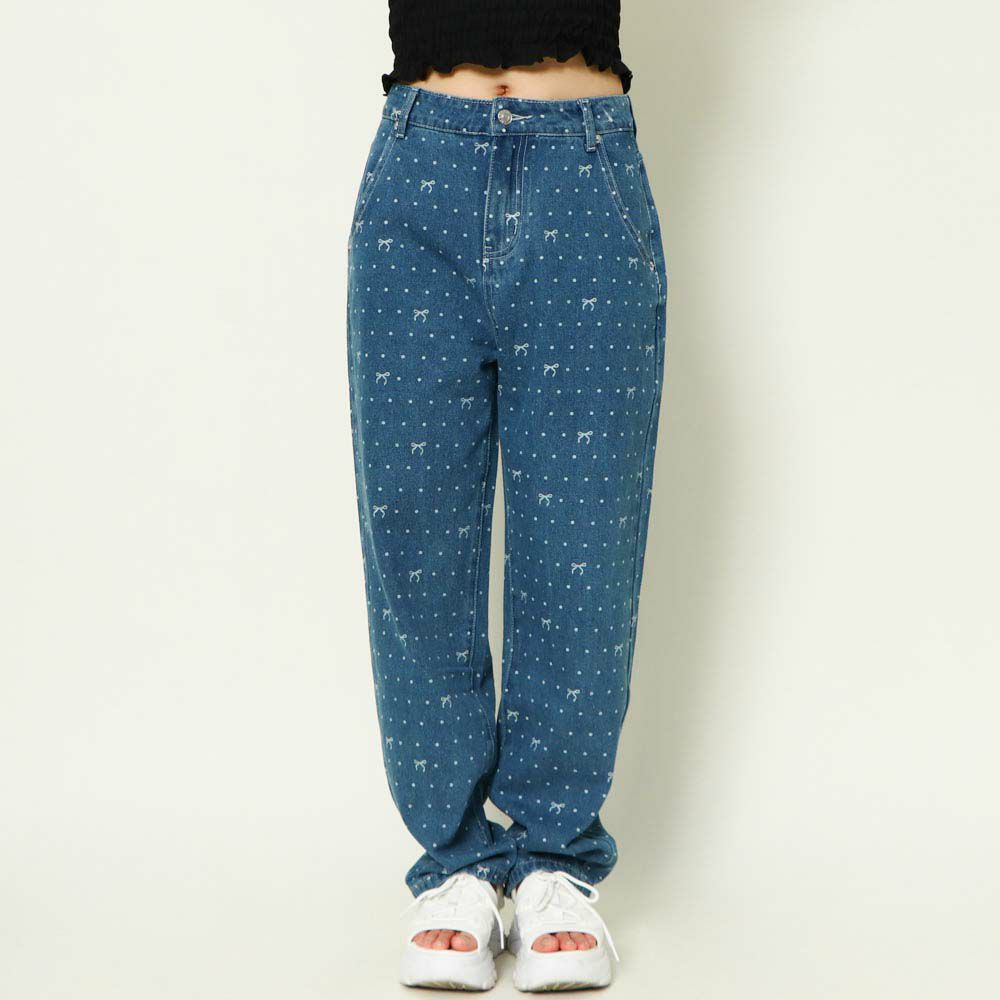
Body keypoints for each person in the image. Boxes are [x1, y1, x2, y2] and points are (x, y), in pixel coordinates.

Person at [345, 1, 667, 990]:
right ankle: (454, 866)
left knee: (584, 539)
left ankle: (553, 862)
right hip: (421, 164)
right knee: (414, 532)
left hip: (585, 169)